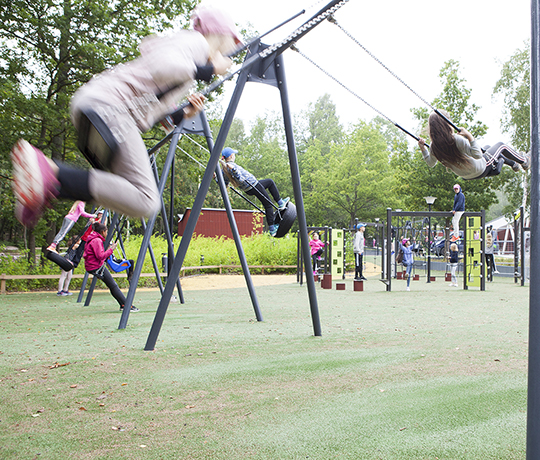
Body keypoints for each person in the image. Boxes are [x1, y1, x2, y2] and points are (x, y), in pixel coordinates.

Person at [11, 6, 242, 228]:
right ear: (218, 38)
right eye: (226, 50)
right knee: (146, 198)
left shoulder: (186, 56)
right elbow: (164, 67)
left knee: (139, 198)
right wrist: (209, 70)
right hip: (111, 107)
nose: (225, 58)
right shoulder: (195, 43)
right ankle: (52, 173)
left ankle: (49, 186)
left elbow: (155, 113)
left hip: (100, 105)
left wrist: (184, 113)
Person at [418, 110, 530, 180]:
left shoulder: (434, 147)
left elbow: (430, 163)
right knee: (501, 146)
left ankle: (513, 164)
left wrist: (423, 148)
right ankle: (524, 161)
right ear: (446, 124)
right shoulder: (456, 139)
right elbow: (477, 155)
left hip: (466, 175)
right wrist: (469, 136)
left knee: (487, 148)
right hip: (480, 168)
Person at [220, 147, 290, 236]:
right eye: (234, 154)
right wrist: (234, 170)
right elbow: (240, 179)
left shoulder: (224, 169)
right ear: (231, 156)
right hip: (253, 185)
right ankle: (272, 229)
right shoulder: (231, 167)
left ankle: (280, 203)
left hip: (249, 188)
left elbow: (224, 183)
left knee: (269, 182)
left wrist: (216, 178)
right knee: (268, 205)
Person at [84, 222, 138, 312]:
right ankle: (127, 305)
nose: (106, 234)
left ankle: (123, 304)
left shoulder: (92, 238)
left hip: (92, 265)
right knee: (113, 286)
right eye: (106, 231)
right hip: (96, 266)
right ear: (102, 232)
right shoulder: (97, 240)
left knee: (112, 285)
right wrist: (111, 249)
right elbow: (100, 256)